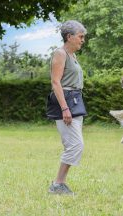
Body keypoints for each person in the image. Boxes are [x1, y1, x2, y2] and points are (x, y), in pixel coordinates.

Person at [48, 20, 87, 195]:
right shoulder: (60, 53)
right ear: (69, 36)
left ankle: (60, 183)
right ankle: (57, 184)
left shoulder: (73, 56)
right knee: (75, 145)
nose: (83, 40)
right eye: (80, 36)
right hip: (66, 102)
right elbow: (55, 82)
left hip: (75, 101)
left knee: (73, 144)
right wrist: (65, 108)